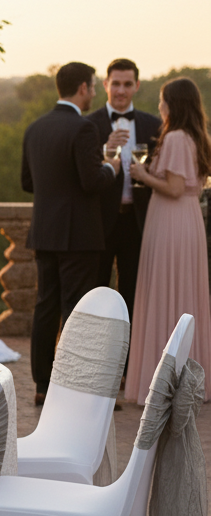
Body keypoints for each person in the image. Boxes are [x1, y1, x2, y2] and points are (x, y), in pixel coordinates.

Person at [22, 62, 120, 405]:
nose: (94, 92)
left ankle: (42, 385)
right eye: (93, 87)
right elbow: (91, 181)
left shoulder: (34, 129)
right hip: (78, 235)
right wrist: (110, 166)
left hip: (45, 232)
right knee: (76, 309)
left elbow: (27, 183)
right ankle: (73, 385)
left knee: (45, 306)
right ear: (82, 88)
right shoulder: (83, 128)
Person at [124, 77, 211, 402]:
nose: (159, 107)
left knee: (166, 292)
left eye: (162, 100)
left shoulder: (175, 137)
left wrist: (142, 175)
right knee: (183, 292)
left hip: (171, 222)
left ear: (173, 104)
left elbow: (174, 188)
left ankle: (164, 381)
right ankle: (184, 375)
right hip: (187, 221)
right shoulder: (195, 136)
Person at [87, 59, 161, 326]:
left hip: (138, 223)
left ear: (137, 86)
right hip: (99, 223)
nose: (121, 90)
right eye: (115, 84)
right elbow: (83, 175)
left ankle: (130, 363)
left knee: (133, 295)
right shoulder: (89, 125)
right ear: (105, 85)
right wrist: (103, 152)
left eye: (127, 84)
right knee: (95, 295)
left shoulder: (153, 125)